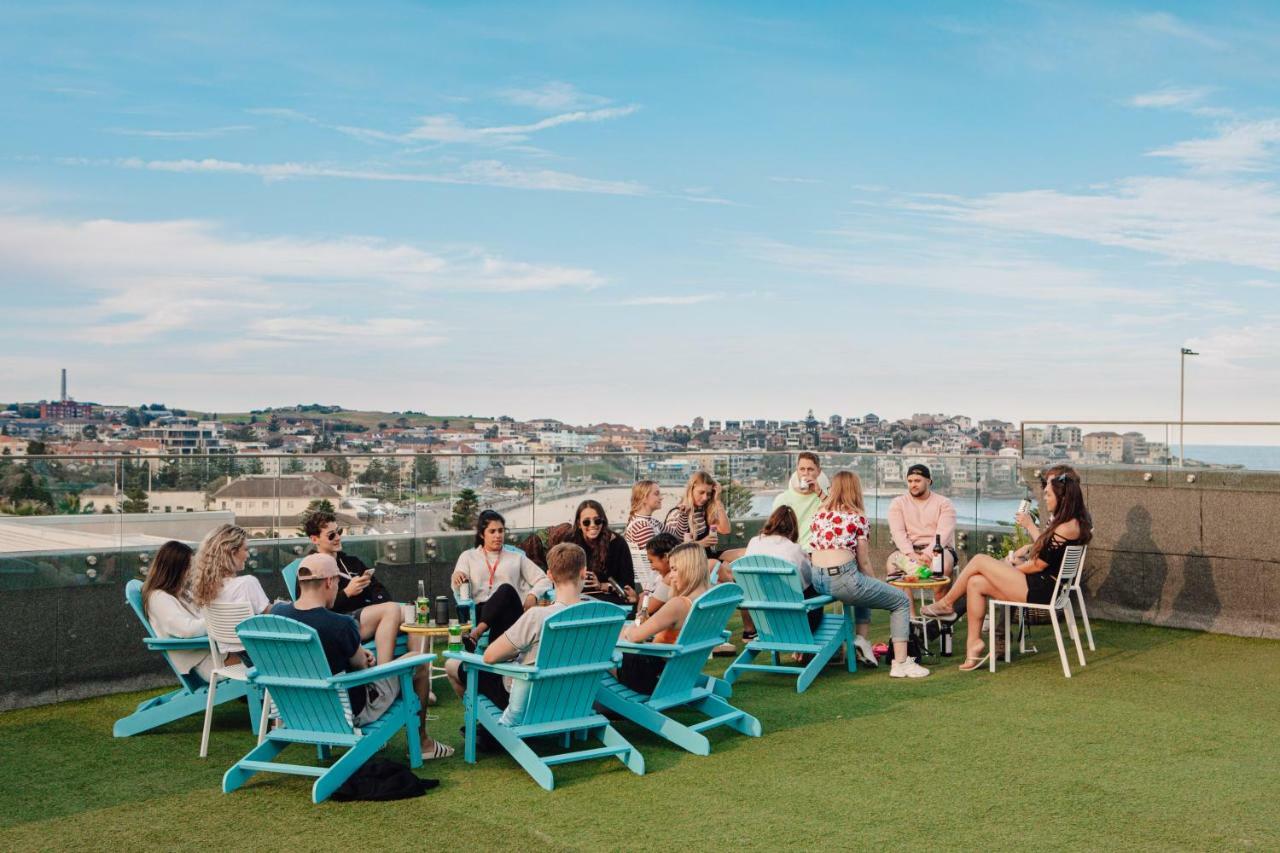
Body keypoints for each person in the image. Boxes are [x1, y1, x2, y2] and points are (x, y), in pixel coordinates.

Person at [272, 554, 453, 759]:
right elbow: (361, 668)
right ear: (330, 581)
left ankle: (386, 740)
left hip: (294, 709)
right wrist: (362, 656)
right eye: (339, 582)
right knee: (417, 661)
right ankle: (422, 743)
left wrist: (356, 652)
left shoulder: (277, 615)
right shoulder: (339, 624)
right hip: (347, 710)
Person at [924, 466, 1092, 671]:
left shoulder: (1067, 526)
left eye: (1047, 494)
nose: (1045, 499)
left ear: (1062, 496)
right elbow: (1046, 554)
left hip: (1042, 590)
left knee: (979, 560)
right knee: (976, 583)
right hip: (1042, 585)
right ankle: (974, 645)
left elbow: (1039, 564)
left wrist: (1008, 570)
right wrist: (1010, 567)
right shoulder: (1068, 522)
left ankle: (947, 603)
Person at [445, 542, 587, 726]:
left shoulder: (537, 616)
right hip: (571, 697)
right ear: (584, 572)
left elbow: (489, 657)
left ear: (550, 575)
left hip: (526, 696)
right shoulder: (603, 614)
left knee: (451, 664)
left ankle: (484, 726)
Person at [809, 472, 930, 678]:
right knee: (900, 600)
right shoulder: (857, 518)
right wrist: (876, 582)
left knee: (862, 585)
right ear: (856, 490)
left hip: (818, 579)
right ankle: (900, 663)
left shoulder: (819, 514)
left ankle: (862, 639)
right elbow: (864, 562)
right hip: (843, 580)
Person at [305, 511, 404, 665]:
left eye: (339, 532)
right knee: (391, 609)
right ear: (314, 539)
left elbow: (379, 589)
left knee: (415, 614)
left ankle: (420, 678)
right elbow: (312, 609)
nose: (338, 537)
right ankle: (385, 673)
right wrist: (347, 593)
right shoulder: (309, 570)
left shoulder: (351, 562)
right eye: (331, 535)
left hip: (364, 616)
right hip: (341, 623)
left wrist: (372, 597)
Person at [617, 542, 713, 694]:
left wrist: (635, 623)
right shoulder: (710, 597)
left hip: (653, 672)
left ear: (688, 568)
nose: (671, 575)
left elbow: (634, 636)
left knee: (602, 644)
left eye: (674, 569)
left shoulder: (679, 604)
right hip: (682, 669)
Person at [451, 510, 552, 649]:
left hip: (512, 611)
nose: (498, 535)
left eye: (501, 531)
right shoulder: (468, 557)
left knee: (506, 590)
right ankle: (494, 659)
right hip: (482, 610)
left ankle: (476, 633)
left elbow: (544, 580)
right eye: (492, 531)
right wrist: (457, 576)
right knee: (503, 597)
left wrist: (532, 595)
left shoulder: (516, 557)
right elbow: (458, 578)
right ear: (482, 534)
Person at [191, 524, 273, 659]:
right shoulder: (246, 583)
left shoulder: (205, 590)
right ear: (231, 551)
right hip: (259, 656)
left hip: (234, 657)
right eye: (245, 549)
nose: (247, 555)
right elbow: (270, 613)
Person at [744, 505, 823, 635]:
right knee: (816, 588)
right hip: (794, 621)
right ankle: (804, 648)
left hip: (765, 621)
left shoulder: (754, 542)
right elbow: (808, 581)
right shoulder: (794, 549)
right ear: (792, 528)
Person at [142, 540, 214, 680]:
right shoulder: (159, 598)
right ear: (176, 569)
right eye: (189, 566)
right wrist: (217, 621)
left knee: (259, 655)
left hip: (209, 653)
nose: (191, 571)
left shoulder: (181, 593)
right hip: (202, 661)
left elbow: (203, 615)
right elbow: (187, 630)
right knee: (259, 659)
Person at [886, 463, 958, 580]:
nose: (913, 485)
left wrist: (928, 554)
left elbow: (944, 533)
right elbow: (897, 533)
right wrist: (912, 555)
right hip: (909, 550)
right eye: (910, 481)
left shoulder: (944, 503)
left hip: (939, 550)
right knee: (892, 565)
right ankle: (906, 599)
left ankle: (941, 599)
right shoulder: (898, 503)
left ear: (929, 481)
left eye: (917, 481)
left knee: (940, 566)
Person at [567, 499, 637, 608]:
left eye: (597, 521)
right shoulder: (571, 543)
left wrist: (602, 585)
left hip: (610, 600)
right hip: (577, 598)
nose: (593, 525)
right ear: (579, 524)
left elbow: (628, 585)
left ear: (603, 521)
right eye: (586, 522)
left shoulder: (617, 543)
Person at [663, 471, 729, 558]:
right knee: (722, 566)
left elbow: (725, 530)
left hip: (707, 556)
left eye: (708, 494)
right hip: (691, 562)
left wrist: (718, 501)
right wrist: (701, 544)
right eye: (701, 492)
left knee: (744, 554)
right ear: (691, 490)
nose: (705, 498)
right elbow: (671, 548)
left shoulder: (704, 511)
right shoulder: (677, 513)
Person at [771, 452, 830, 550]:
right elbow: (774, 532)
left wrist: (820, 493)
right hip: (790, 552)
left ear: (819, 472)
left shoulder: (825, 498)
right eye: (802, 469)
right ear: (797, 471)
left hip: (817, 553)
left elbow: (839, 516)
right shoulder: (782, 499)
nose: (805, 473)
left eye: (810, 469)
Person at [640, 532, 680, 619]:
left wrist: (642, 596)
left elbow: (643, 611)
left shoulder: (670, 578)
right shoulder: (681, 574)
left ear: (665, 557)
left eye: (651, 561)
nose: (651, 567)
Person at [624, 480, 668, 551]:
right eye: (656, 494)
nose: (661, 497)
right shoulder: (642, 526)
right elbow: (655, 558)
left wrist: (683, 514)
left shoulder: (652, 522)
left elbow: (678, 535)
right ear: (644, 498)